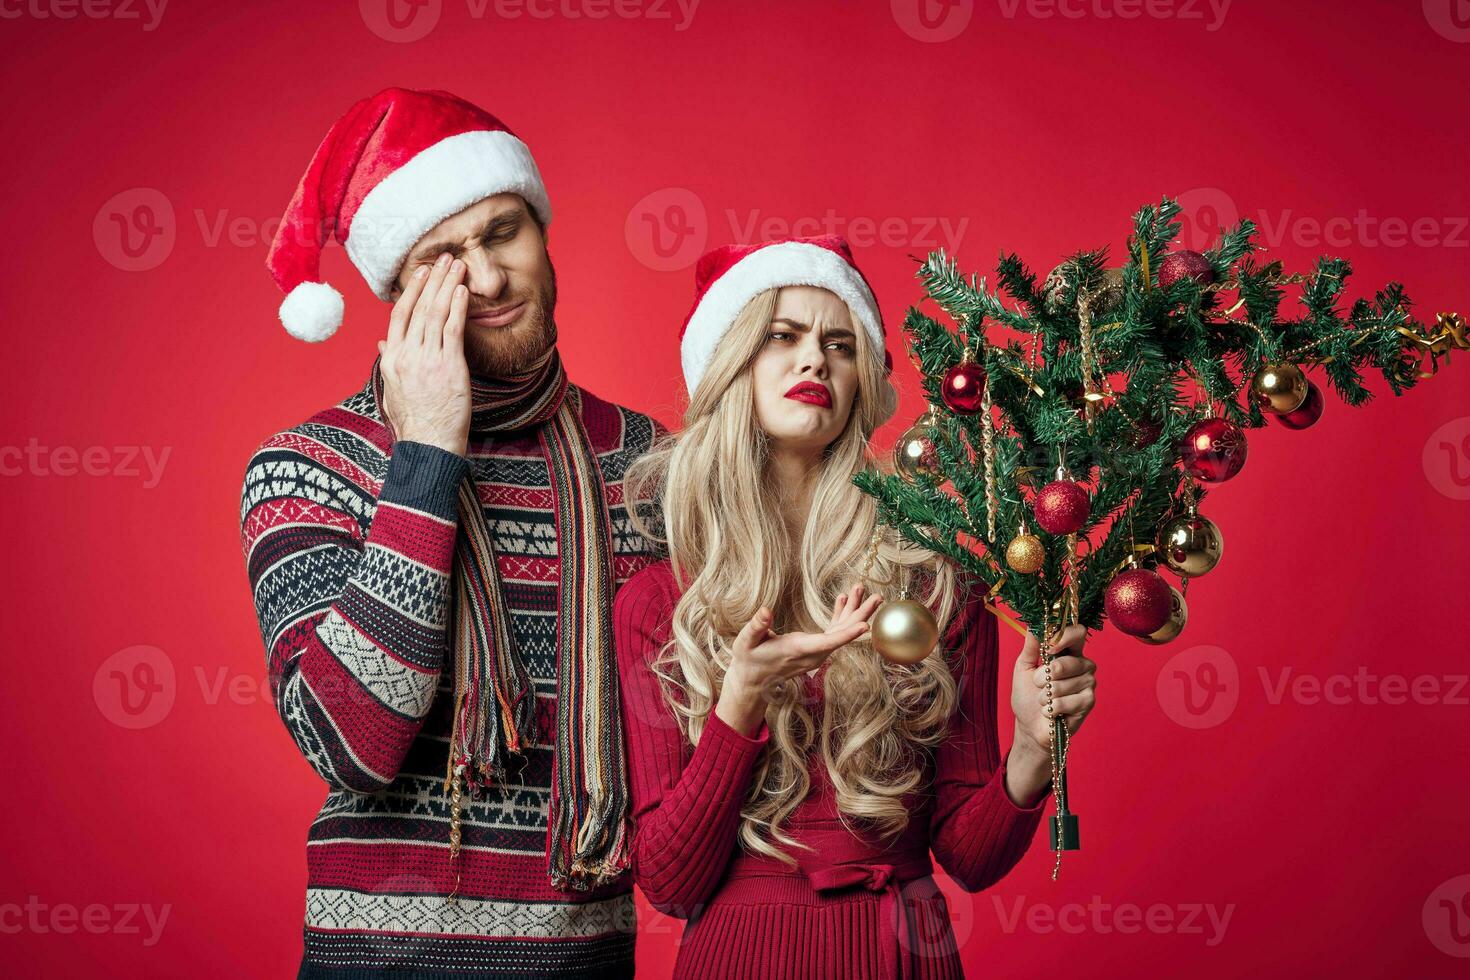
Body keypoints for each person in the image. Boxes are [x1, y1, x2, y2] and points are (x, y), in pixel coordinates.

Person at [239, 87, 659, 979]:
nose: (492, 279)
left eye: (504, 232)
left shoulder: (654, 466)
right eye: (443, 257)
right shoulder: (305, 466)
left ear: (543, 230)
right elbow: (354, 744)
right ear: (396, 293)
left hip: (588, 961)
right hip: (379, 964)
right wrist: (429, 452)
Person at [614, 235, 1099, 979]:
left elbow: (969, 859)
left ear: (862, 381)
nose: (815, 360)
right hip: (740, 960)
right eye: (783, 336)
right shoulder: (658, 603)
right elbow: (670, 885)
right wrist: (739, 703)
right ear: (729, 363)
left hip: (902, 950)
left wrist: (1033, 749)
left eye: (840, 344)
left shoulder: (933, 580)